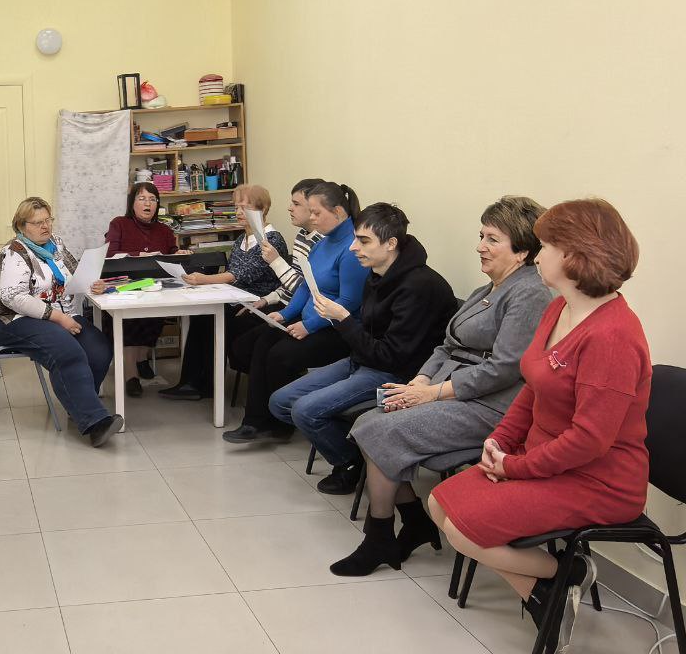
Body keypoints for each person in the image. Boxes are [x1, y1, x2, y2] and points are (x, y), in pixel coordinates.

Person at [429, 199, 649, 654]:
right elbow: (533, 385)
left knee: (464, 531)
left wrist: (515, 467)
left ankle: (565, 575)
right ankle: (548, 587)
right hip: (543, 460)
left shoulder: (612, 336)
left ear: (575, 255)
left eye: (546, 246)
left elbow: (590, 441)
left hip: (599, 480)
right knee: (439, 505)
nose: (537, 254)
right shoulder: (560, 308)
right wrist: (500, 441)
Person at [330, 196, 551, 577]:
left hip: (491, 407)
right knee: (369, 423)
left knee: (379, 430)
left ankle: (381, 535)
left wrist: (431, 393)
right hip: (448, 388)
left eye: (492, 239)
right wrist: (420, 380)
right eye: (481, 236)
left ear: (522, 251)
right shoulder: (489, 289)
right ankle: (412, 522)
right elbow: (446, 345)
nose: (480, 246)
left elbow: (503, 369)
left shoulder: (529, 293)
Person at [268, 203, 457, 493]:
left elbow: (390, 356)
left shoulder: (419, 286)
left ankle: (353, 463)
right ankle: (364, 453)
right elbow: (368, 337)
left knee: (305, 411)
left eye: (364, 241)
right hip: (364, 360)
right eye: (356, 238)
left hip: (397, 374)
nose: (354, 247)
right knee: (280, 402)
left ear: (390, 243)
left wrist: (343, 319)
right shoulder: (377, 273)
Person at [224, 182, 370, 444]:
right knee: (263, 340)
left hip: (336, 329)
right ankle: (255, 421)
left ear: (338, 212)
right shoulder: (322, 243)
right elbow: (305, 286)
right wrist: (285, 314)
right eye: (310, 212)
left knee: (279, 355)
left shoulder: (351, 248)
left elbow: (348, 302)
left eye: (316, 213)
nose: (312, 218)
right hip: (312, 319)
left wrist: (309, 325)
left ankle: (279, 424)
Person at [0, 197, 120, 447]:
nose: (45, 226)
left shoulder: (56, 244)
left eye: (48, 220)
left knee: (100, 349)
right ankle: (94, 422)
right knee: (66, 350)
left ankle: (78, 406)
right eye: (37, 223)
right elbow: (14, 298)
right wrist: (59, 318)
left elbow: (76, 273)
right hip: (14, 320)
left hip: (60, 315)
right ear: (21, 226)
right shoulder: (13, 252)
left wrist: (94, 283)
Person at [160, 184, 290, 401]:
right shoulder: (241, 239)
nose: (238, 212)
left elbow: (239, 274)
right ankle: (193, 382)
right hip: (236, 300)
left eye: (245, 207)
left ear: (262, 209)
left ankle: (204, 384)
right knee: (201, 317)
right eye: (236, 207)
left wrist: (204, 280)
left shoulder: (271, 239)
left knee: (212, 320)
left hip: (261, 304)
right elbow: (232, 273)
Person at [102, 182, 186, 397]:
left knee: (155, 314)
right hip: (124, 287)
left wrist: (179, 253)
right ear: (132, 203)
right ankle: (131, 374)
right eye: (142, 198)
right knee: (130, 320)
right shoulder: (119, 224)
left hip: (155, 288)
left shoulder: (164, 230)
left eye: (152, 199)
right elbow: (110, 254)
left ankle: (141, 359)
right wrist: (140, 256)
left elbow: (172, 252)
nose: (148, 203)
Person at [255, 178, 325, 308]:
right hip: (287, 303)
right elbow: (292, 282)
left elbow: (307, 292)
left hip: (303, 308)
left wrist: (276, 261)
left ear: (314, 207)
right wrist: (268, 299)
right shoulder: (301, 235)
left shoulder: (322, 241)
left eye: (296, 204)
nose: (290, 208)